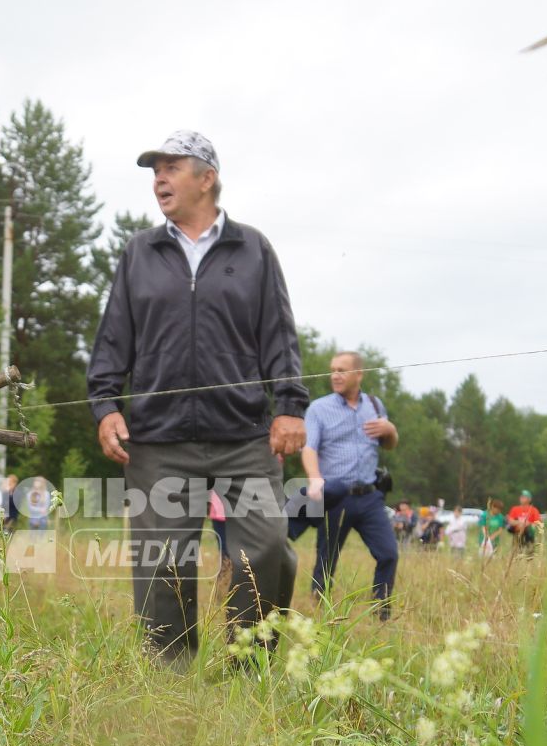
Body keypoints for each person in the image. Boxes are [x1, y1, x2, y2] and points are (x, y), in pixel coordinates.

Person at [87, 130, 309, 665]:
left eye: (171, 167)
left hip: (245, 436)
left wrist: (289, 407)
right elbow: (114, 337)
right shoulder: (140, 252)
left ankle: (248, 662)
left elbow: (279, 335)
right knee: (163, 561)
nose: (159, 178)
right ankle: (172, 679)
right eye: (154, 169)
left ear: (207, 178)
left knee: (268, 551)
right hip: (158, 439)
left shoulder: (252, 248)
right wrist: (106, 405)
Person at [299, 352, 400, 619]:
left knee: (389, 553)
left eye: (342, 370)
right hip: (335, 496)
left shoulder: (375, 406)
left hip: (370, 497)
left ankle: (381, 614)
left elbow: (389, 445)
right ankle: (317, 614)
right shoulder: (319, 409)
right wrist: (314, 479)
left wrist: (390, 430)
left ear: (359, 374)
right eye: (332, 370)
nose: (335, 375)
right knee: (326, 561)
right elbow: (308, 448)